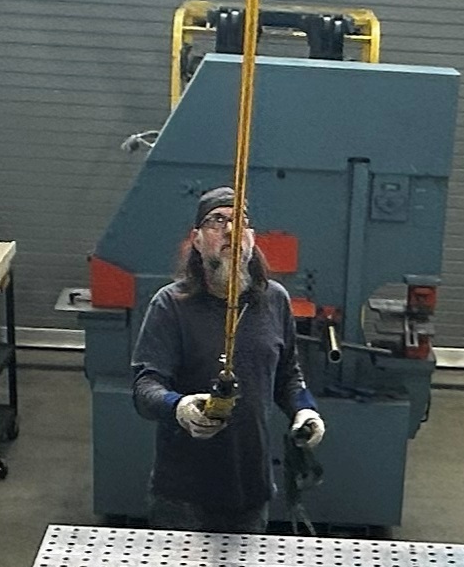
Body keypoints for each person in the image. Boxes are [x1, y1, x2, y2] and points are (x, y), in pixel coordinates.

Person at [131, 189, 323, 534]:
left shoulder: (274, 301)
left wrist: (304, 409)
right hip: (182, 496)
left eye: (240, 222)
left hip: (250, 489)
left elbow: (288, 374)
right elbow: (146, 386)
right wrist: (179, 407)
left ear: (252, 238)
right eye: (217, 221)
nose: (231, 231)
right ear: (196, 240)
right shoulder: (171, 304)